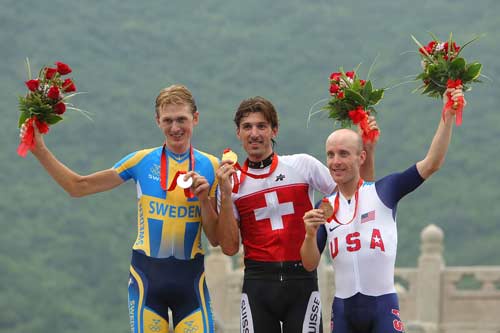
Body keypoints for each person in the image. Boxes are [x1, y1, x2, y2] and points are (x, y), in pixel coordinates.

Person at [21, 84, 219, 333]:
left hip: (191, 282)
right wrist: (39, 150)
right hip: (147, 282)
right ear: (157, 121)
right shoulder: (141, 161)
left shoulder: (211, 166)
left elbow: (215, 238)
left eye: (182, 119)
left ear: (196, 119)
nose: (175, 127)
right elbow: (78, 187)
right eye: (168, 120)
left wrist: (204, 201)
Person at [300, 87, 465, 333]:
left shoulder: (384, 191)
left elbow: (432, 164)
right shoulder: (325, 207)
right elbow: (309, 264)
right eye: (331, 155)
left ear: (361, 157)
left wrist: (449, 115)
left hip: (382, 308)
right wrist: (310, 235)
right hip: (343, 311)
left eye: (344, 154)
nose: (336, 161)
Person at [215, 96, 377, 333]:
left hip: (302, 281)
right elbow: (229, 248)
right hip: (257, 282)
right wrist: (226, 195)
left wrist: (368, 151)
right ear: (238, 133)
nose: (254, 133)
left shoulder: (302, 166)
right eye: (247, 127)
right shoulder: (229, 182)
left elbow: (358, 196)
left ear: (274, 130)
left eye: (261, 126)